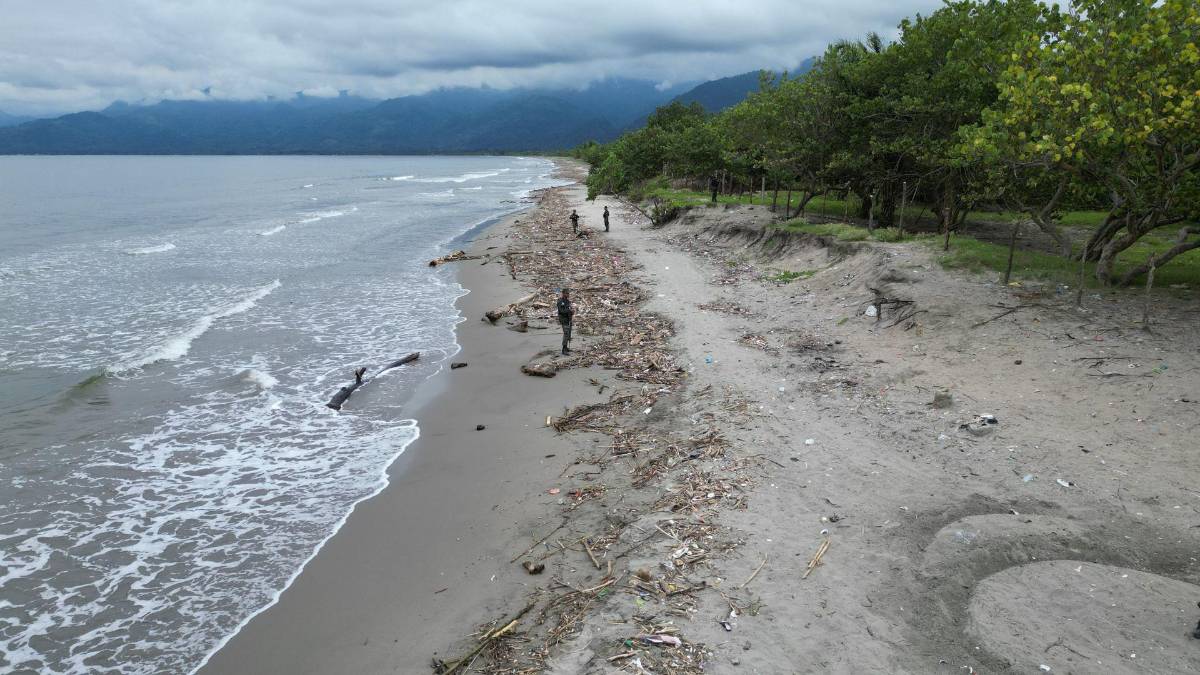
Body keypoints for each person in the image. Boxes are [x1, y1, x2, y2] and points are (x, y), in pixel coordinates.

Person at [556, 288, 574, 355]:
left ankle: (566, 347)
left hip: (569, 319)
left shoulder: (568, 301)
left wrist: (572, 312)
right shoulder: (560, 301)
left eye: (568, 293)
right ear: (563, 293)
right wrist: (569, 311)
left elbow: (569, 309)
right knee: (566, 333)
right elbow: (561, 311)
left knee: (568, 333)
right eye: (566, 293)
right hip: (563, 319)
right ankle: (564, 349)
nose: (568, 294)